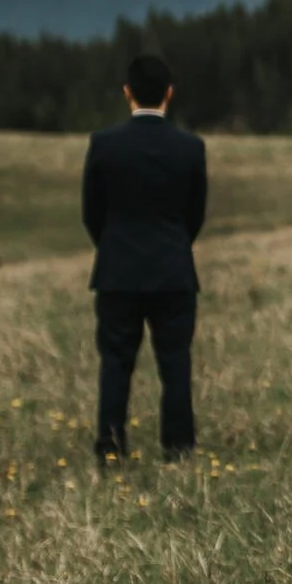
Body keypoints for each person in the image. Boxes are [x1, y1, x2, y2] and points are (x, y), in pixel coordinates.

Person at [81, 53, 207, 461]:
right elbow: (195, 214)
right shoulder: (191, 147)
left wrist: (115, 245)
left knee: (116, 364)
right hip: (173, 272)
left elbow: (91, 212)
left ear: (127, 93)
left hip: (118, 272)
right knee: (175, 364)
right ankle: (179, 450)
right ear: (170, 94)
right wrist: (173, 245)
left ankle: (111, 449)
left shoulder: (103, 145)